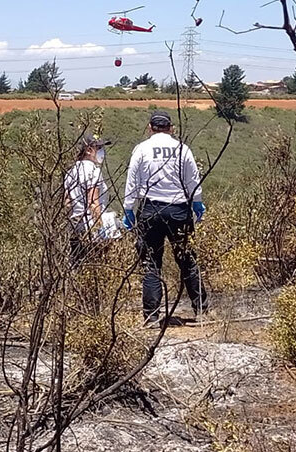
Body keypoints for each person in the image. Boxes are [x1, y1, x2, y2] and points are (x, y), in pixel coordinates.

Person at [122, 110, 208, 324]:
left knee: (151, 262)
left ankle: (151, 315)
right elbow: (192, 179)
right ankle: (201, 309)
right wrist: (197, 202)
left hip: (150, 209)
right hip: (179, 209)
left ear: (150, 128)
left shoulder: (141, 149)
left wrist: (128, 208)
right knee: (187, 260)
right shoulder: (182, 149)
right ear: (171, 128)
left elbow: (132, 180)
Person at [64, 133, 112, 266]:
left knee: (78, 265)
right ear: (89, 150)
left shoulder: (71, 172)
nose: (102, 152)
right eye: (99, 148)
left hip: (75, 226)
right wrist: (100, 229)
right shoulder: (93, 171)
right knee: (96, 266)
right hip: (90, 227)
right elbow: (93, 202)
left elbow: (67, 203)